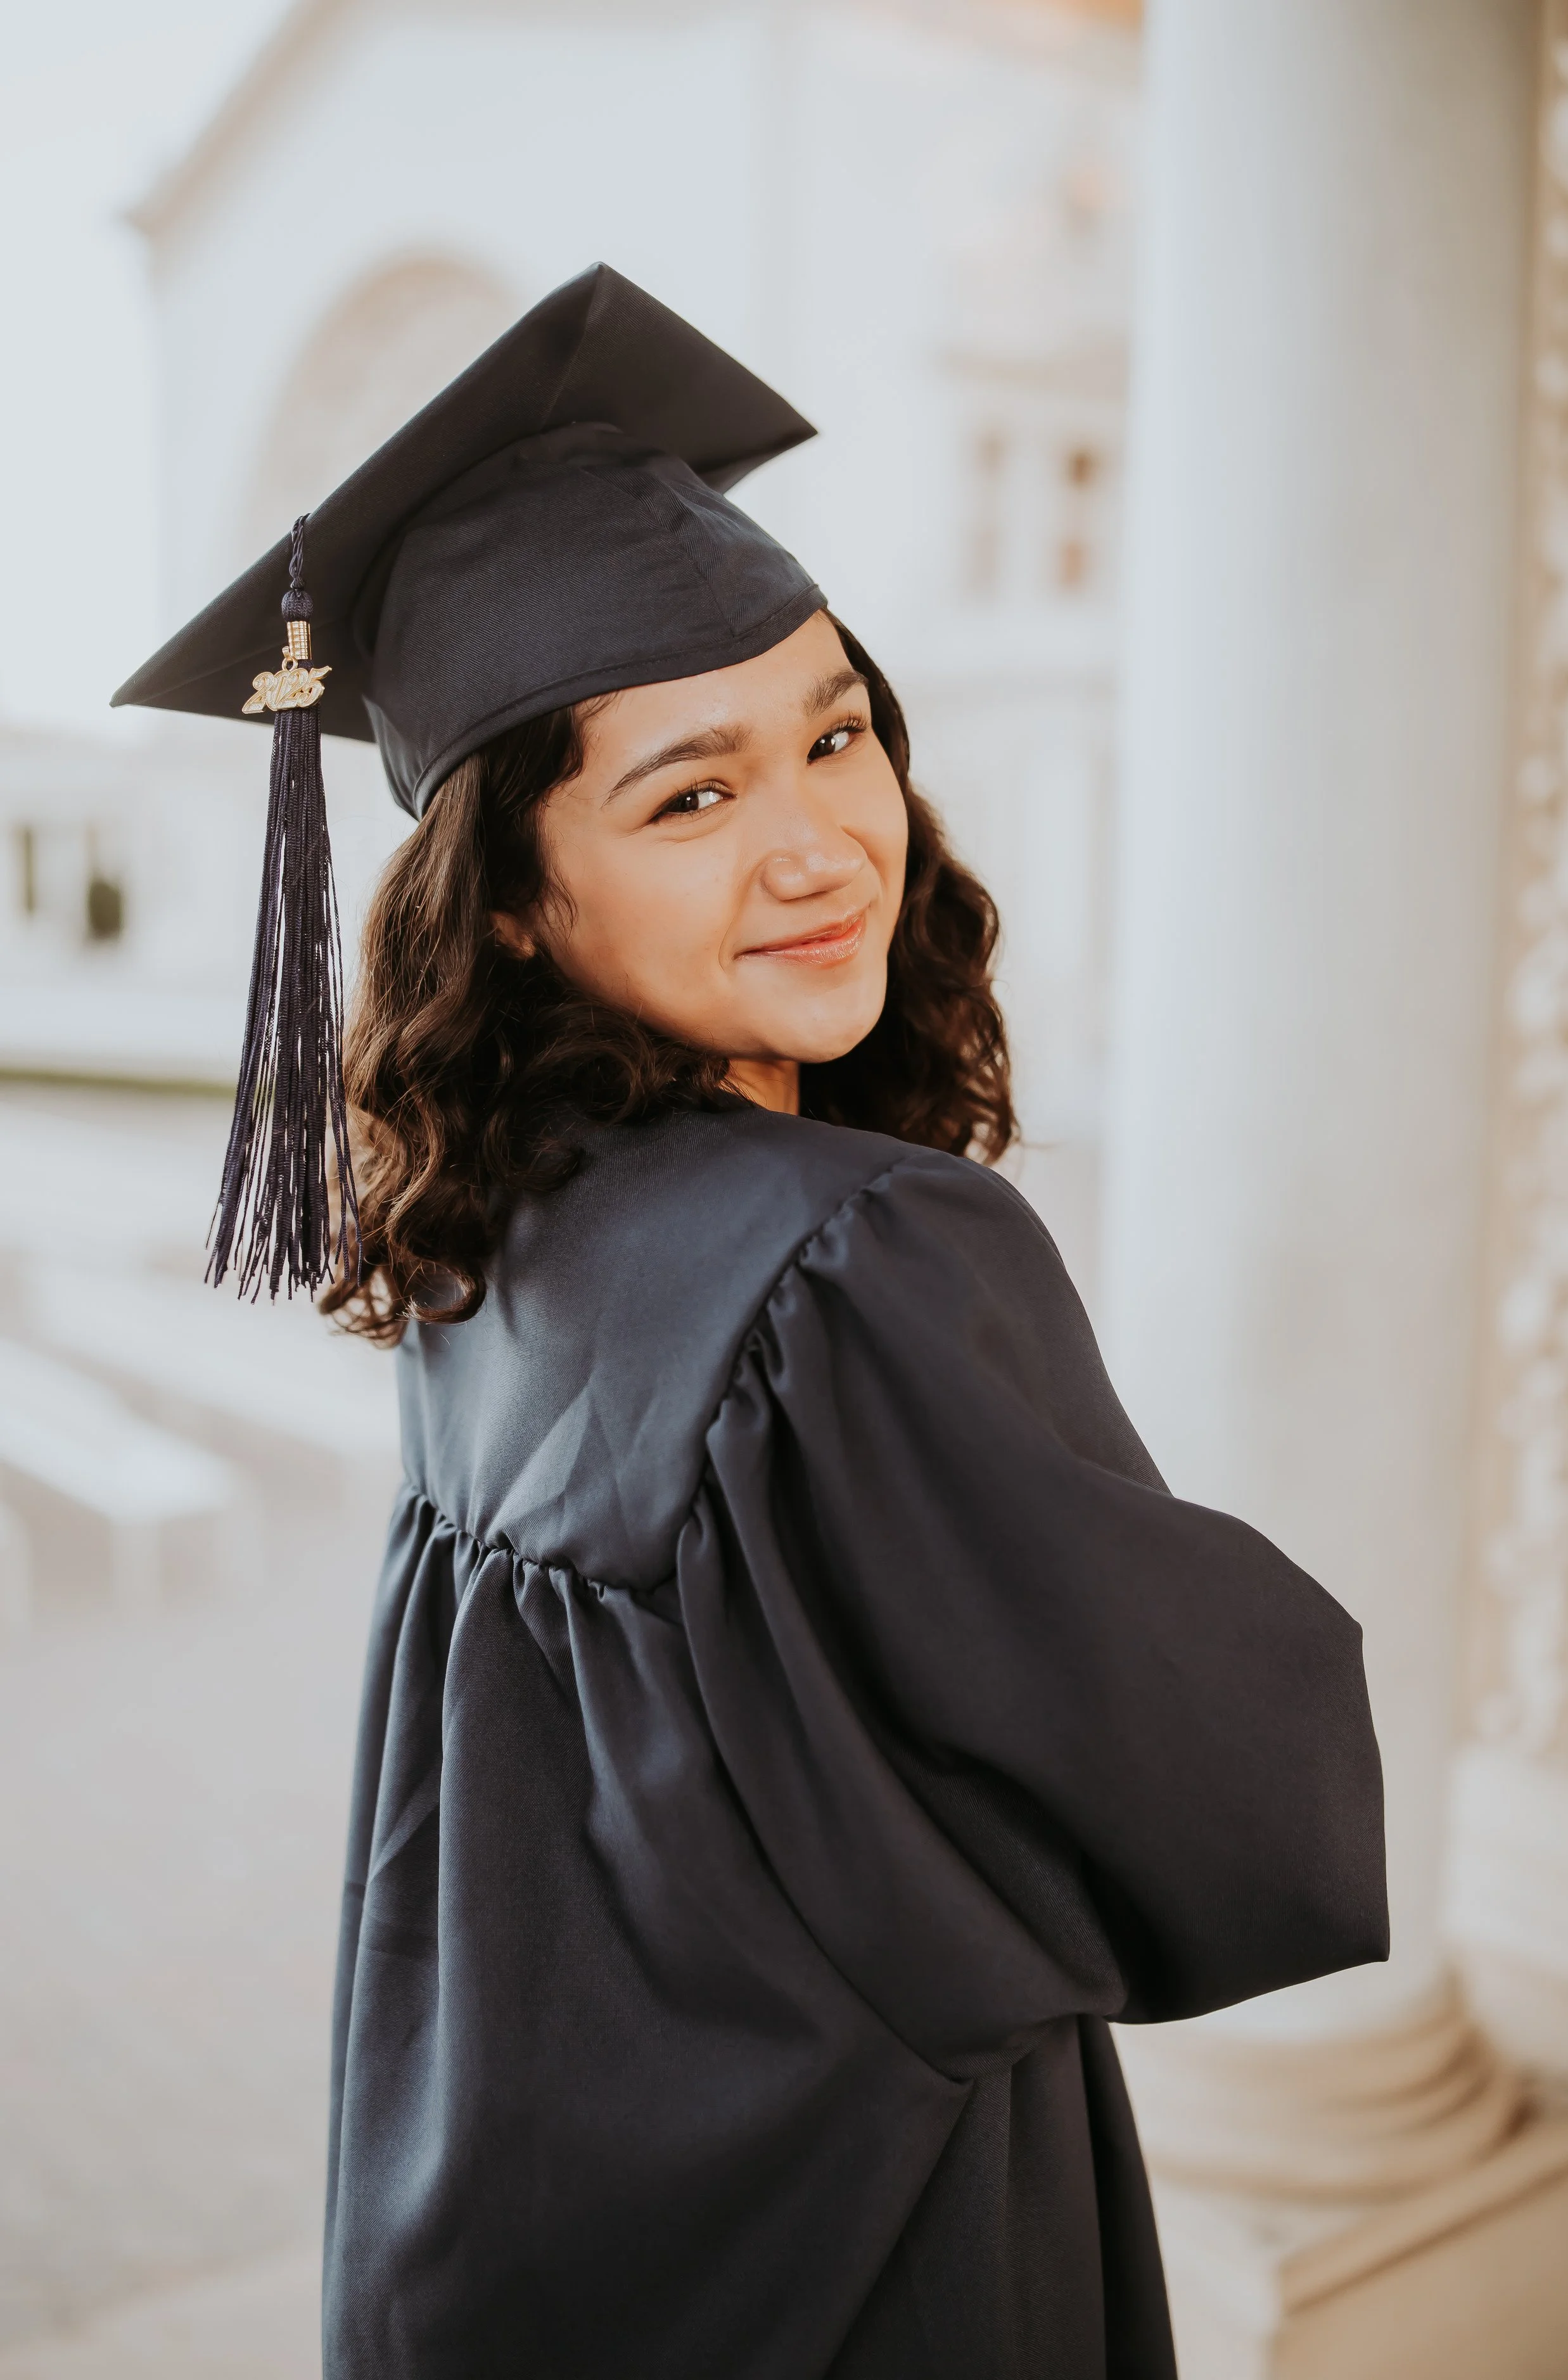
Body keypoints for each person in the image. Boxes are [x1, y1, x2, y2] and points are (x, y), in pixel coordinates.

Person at [116, 266, 1387, 2380]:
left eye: (834, 733)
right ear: (513, 894)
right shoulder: (855, 1257)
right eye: (688, 797)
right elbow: (1218, 1794)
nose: (818, 845)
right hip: (871, 2248)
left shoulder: (485, 1229)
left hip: (526, 2241)